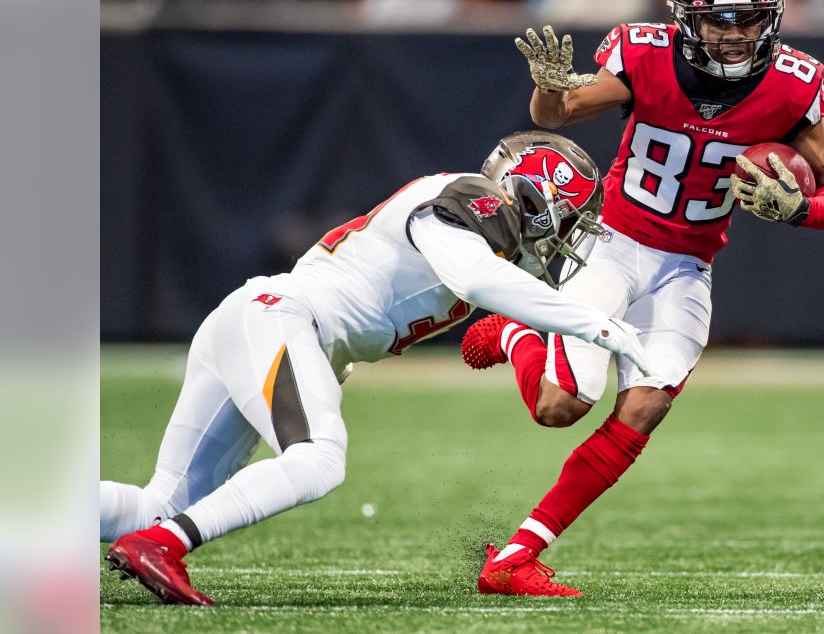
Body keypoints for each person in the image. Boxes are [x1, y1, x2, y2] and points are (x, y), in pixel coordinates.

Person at [100, 131, 653, 606]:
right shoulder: (470, 198)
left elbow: (501, 296)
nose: (566, 238)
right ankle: (166, 546)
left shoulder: (484, 238)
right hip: (283, 321)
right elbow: (478, 281)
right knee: (318, 460)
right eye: (567, 219)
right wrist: (597, 325)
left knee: (164, 504)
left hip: (263, 322)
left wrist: (527, 338)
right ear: (536, 197)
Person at [461, 0, 824, 597]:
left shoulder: (794, 83)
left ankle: (514, 559)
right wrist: (547, 86)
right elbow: (554, 116)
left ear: (771, 18)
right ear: (686, 20)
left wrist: (799, 210)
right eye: (718, 22)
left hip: (687, 266)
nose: (734, 37)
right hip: (612, 243)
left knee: (643, 408)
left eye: (748, 20)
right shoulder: (645, 54)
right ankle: (515, 333)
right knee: (560, 406)